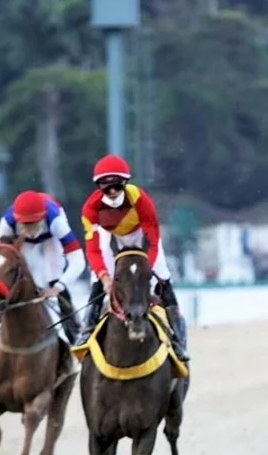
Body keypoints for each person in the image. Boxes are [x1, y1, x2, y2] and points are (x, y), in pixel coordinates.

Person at [72, 154, 189, 362]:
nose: (113, 191)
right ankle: (87, 329)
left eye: (117, 185)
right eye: (106, 187)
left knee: (163, 277)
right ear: (99, 187)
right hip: (110, 236)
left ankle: (178, 339)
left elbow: (152, 239)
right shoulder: (90, 208)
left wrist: (147, 269)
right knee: (97, 283)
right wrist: (105, 277)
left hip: (140, 235)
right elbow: (92, 250)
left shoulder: (140, 198)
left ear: (125, 183)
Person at [0, 190, 85, 349]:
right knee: (15, 275)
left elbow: (78, 260)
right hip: (22, 242)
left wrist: (58, 287)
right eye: (25, 224)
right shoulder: (7, 224)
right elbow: (4, 259)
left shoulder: (56, 221)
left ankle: (74, 334)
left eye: (33, 224)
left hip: (51, 238)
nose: (29, 230)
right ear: (17, 220)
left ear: (42, 218)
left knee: (54, 276)